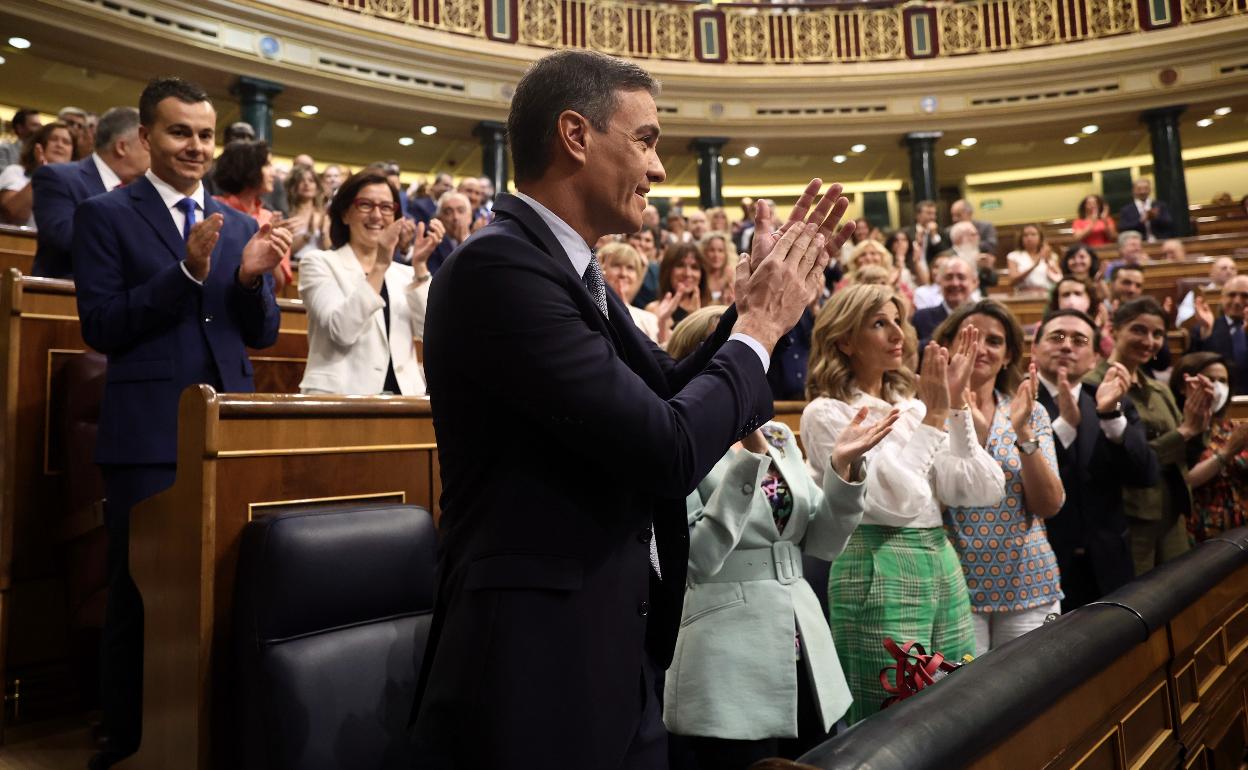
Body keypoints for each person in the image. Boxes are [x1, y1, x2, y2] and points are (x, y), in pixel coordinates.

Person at [412, 48, 853, 769]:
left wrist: (746, 311)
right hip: (535, 668)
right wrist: (760, 330)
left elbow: (667, 387)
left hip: (610, 647)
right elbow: (667, 448)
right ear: (576, 135)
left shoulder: (568, 269)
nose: (657, 170)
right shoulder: (501, 267)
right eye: (645, 140)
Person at [72, 77, 288, 768]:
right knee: (141, 595)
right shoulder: (106, 215)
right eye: (179, 132)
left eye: (204, 134)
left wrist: (250, 281)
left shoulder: (242, 225)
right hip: (146, 433)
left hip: (227, 433)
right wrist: (187, 275)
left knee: (222, 589)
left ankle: (206, 729)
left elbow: (257, 336)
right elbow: (102, 326)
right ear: (143, 138)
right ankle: (127, 736)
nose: (195, 146)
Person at [666, 371, 897, 769]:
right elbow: (695, 560)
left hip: (802, 641)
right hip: (726, 654)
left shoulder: (777, 435)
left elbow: (821, 541)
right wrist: (750, 461)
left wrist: (841, 469)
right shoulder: (680, 440)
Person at [801, 284, 1005, 724]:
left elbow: (978, 487)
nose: (898, 333)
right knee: (890, 713)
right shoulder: (828, 412)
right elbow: (900, 502)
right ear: (844, 341)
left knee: (956, 699)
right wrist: (935, 416)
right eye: (879, 323)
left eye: (898, 320)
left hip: (940, 557)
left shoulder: (910, 406)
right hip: (876, 561)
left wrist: (953, 409)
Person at [932, 301, 1065, 653]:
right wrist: (963, 424)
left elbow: (1049, 504)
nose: (981, 348)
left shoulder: (1028, 410)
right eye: (970, 337)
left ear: (1008, 356)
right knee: (967, 700)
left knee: (1032, 697)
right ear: (948, 344)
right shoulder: (928, 410)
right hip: (956, 585)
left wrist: (1022, 433)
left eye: (994, 341)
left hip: (1029, 585)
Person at [1032, 310, 1159, 611]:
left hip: (1107, 563)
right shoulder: (1016, 402)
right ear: (1034, 349)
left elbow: (1146, 474)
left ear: (1093, 359)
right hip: (1042, 564)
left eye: (1079, 340)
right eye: (1057, 337)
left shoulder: (1109, 400)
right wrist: (1063, 426)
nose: (1066, 346)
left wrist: (1111, 418)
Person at [1085, 298, 1212, 575]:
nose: (1149, 341)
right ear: (1114, 330)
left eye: (1157, 334)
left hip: (1172, 514)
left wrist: (1201, 421)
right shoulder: (1093, 387)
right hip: (1129, 518)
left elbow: (1187, 455)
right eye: (1139, 330)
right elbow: (1127, 457)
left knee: (1180, 598)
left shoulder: (1159, 389)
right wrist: (1184, 431)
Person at [298, 170, 441, 396]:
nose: (376, 215)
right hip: (341, 401)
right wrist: (380, 266)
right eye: (365, 205)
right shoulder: (319, 263)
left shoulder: (405, 274)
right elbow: (342, 330)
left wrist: (421, 267)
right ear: (345, 214)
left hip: (404, 401)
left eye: (386, 207)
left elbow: (433, 333)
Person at [32, 107, 149, 278]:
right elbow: (63, 238)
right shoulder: (58, 177)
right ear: (122, 147)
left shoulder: (143, 190)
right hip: (65, 295)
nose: (154, 152)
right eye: (146, 143)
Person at [1171, 352, 1248, 542]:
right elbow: (1184, 480)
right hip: (1199, 533)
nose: (1217, 387)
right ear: (1184, 385)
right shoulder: (1177, 428)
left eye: (1223, 381)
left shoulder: (1230, 428)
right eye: (1210, 379)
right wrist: (1228, 452)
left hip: (1240, 530)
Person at [211, 139, 293, 292]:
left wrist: (271, 250)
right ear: (248, 168)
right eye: (267, 165)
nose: (273, 173)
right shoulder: (212, 209)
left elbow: (277, 286)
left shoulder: (270, 219)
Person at [0, 121, 77, 226]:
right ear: (39, 145)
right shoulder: (15, 172)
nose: (59, 145)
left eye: (66, 142)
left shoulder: (76, 186)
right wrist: (41, 174)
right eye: (53, 139)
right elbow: (14, 215)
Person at [1189, 275, 1248, 395]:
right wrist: (1207, 332)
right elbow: (1192, 367)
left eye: (1245, 296)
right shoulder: (1205, 328)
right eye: (1231, 295)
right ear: (1221, 299)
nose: (1237, 301)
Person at [645, 241, 711, 339]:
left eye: (694, 267)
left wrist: (696, 317)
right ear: (668, 270)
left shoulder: (710, 310)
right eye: (680, 265)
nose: (688, 273)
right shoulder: (653, 310)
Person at [598, 241, 661, 342]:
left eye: (630, 268)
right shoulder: (593, 312)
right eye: (616, 265)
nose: (623, 273)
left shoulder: (649, 319)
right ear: (601, 269)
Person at [912, 255, 978, 349]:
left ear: (974, 282)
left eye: (961, 277)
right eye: (949, 277)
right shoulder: (922, 318)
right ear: (939, 282)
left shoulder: (983, 318)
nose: (955, 283)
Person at [284, 163, 331, 264]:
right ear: (294, 186)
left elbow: (330, 251)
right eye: (301, 180)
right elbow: (286, 252)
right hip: (294, 266)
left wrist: (324, 233)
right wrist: (308, 234)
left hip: (320, 267)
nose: (306, 184)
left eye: (311, 180)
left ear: (317, 187)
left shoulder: (324, 215)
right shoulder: (287, 214)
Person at [1176, 256, 1236, 326]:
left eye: (1233, 268)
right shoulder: (1197, 294)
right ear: (1212, 272)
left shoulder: (1243, 294)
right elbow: (1182, 320)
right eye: (1224, 268)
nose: (1229, 271)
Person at [1007, 223, 1060, 293]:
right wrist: (1034, 265)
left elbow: (1059, 278)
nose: (1029, 238)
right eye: (1025, 235)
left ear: (1040, 237)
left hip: (1047, 293)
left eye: (1033, 234)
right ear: (1021, 238)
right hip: (1024, 295)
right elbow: (1012, 281)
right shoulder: (1013, 256)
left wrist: (1048, 261)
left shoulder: (1051, 255)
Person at [1118, 177, 1174, 242]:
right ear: (1133, 190)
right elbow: (1123, 228)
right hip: (1138, 243)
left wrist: (1156, 217)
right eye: (1139, 189)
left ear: (1150, 190)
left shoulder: (1160, 205)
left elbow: (1169, 224)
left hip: (1160, 241)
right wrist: (1140, 221)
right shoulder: (1126, 210)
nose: (1142, 192)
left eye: (1145, 188)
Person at [702, 231, 737, 304]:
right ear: (705, 252)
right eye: (712, 250)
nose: (716, 255)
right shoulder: (700, 276)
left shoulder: (733, 276)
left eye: (720, 251)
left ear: (726, 253)